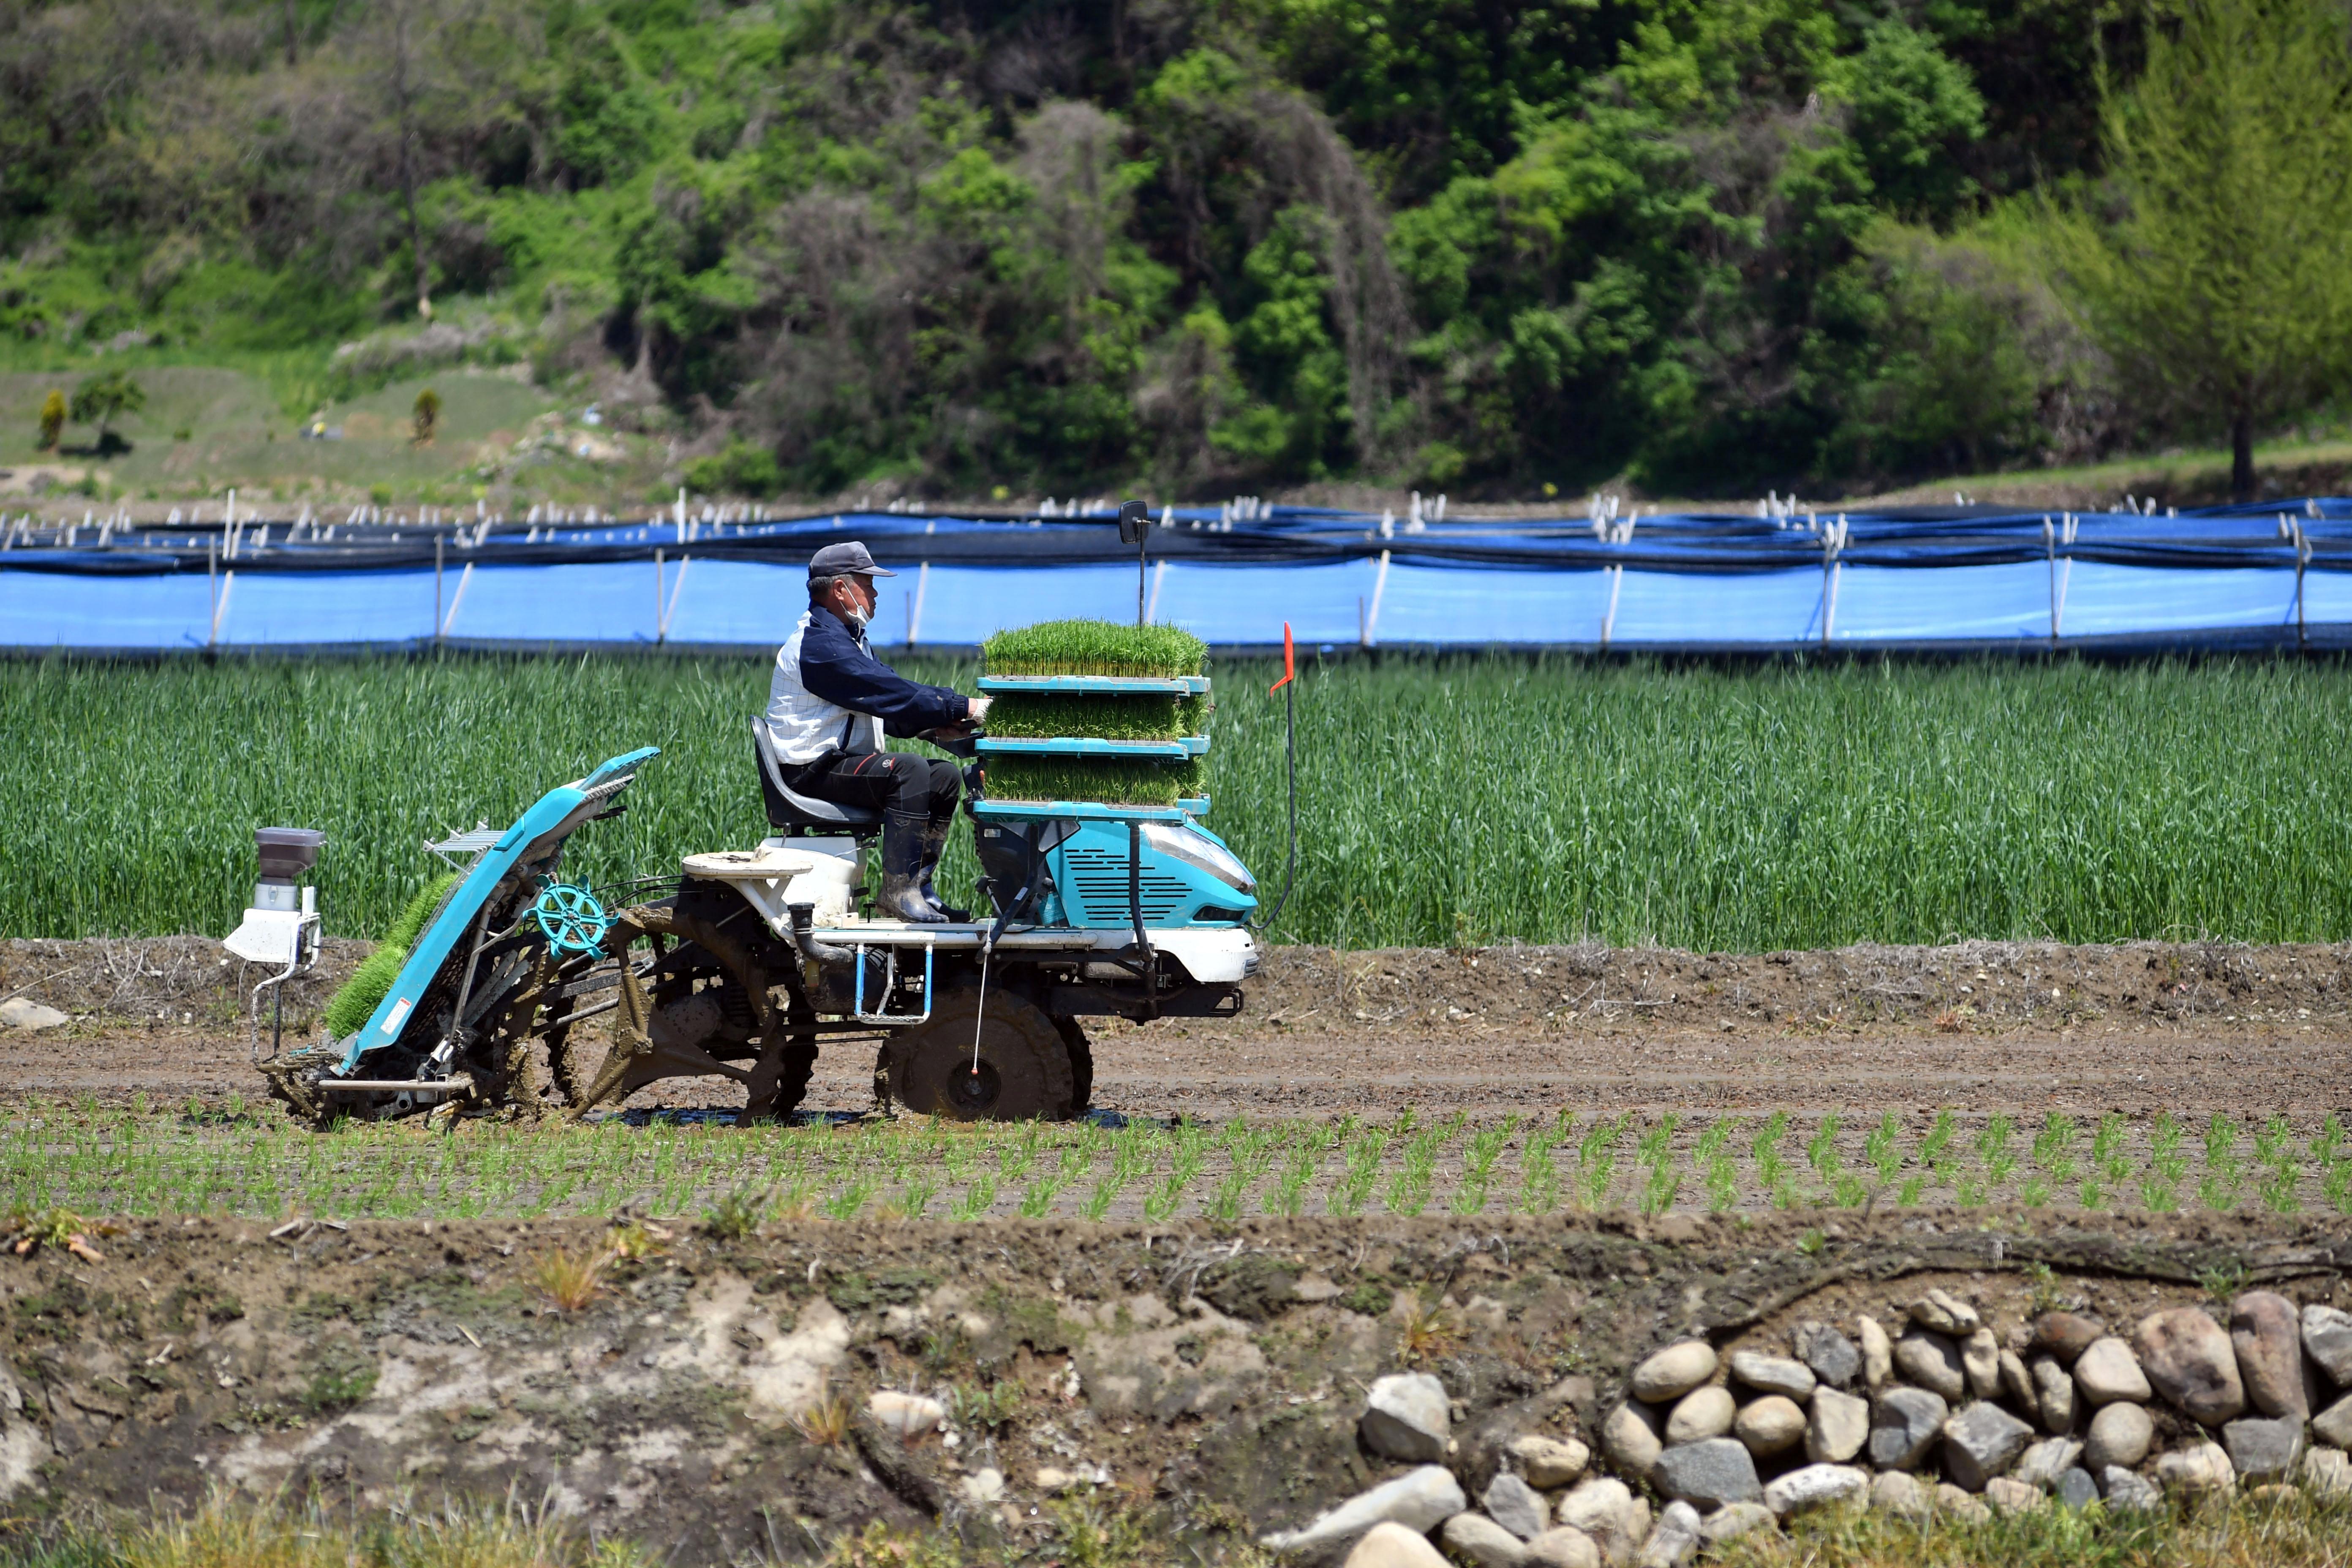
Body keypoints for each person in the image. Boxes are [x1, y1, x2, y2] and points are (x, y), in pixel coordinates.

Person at [763, 541, 990, 923]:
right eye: (867, 583)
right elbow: (891, 693)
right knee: (910, 770)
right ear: (840, 590)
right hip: (809, 773)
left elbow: (890, 706)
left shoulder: (849, 643)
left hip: (837, 765)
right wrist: (965, 706)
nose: (875, 593)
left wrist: (939, 724)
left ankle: (920, 888)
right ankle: (897, 894)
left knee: (944, 777)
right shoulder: (820, 646)